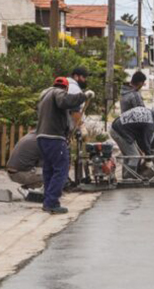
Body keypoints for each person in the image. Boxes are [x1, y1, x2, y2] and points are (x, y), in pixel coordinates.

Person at [36, 77, 93, 214]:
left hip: (42, 137)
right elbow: (65, 101)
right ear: (66, 88)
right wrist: (84, 96)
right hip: (54, 138)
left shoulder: (45, 96)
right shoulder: (58, 93)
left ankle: (47, 201)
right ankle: (52, 203)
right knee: (61, 170)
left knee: (49, 170)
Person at [110, 107, 154, 179]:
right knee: (135, 156)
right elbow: (146, 142)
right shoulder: (149, 124)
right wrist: (148, 160)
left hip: (116, 128)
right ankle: (129, 179)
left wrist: (143, 151)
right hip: (120, 132)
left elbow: (140, 138)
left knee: (129, 155)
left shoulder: (147, 113)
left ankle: (125, 177)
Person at [66, 66, 90, 134]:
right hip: (67, 127)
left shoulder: (66, 84)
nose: (85, 80)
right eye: (83, 77)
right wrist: (81, 127)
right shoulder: (74, 89)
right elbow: (75, 111)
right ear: (76, 76)